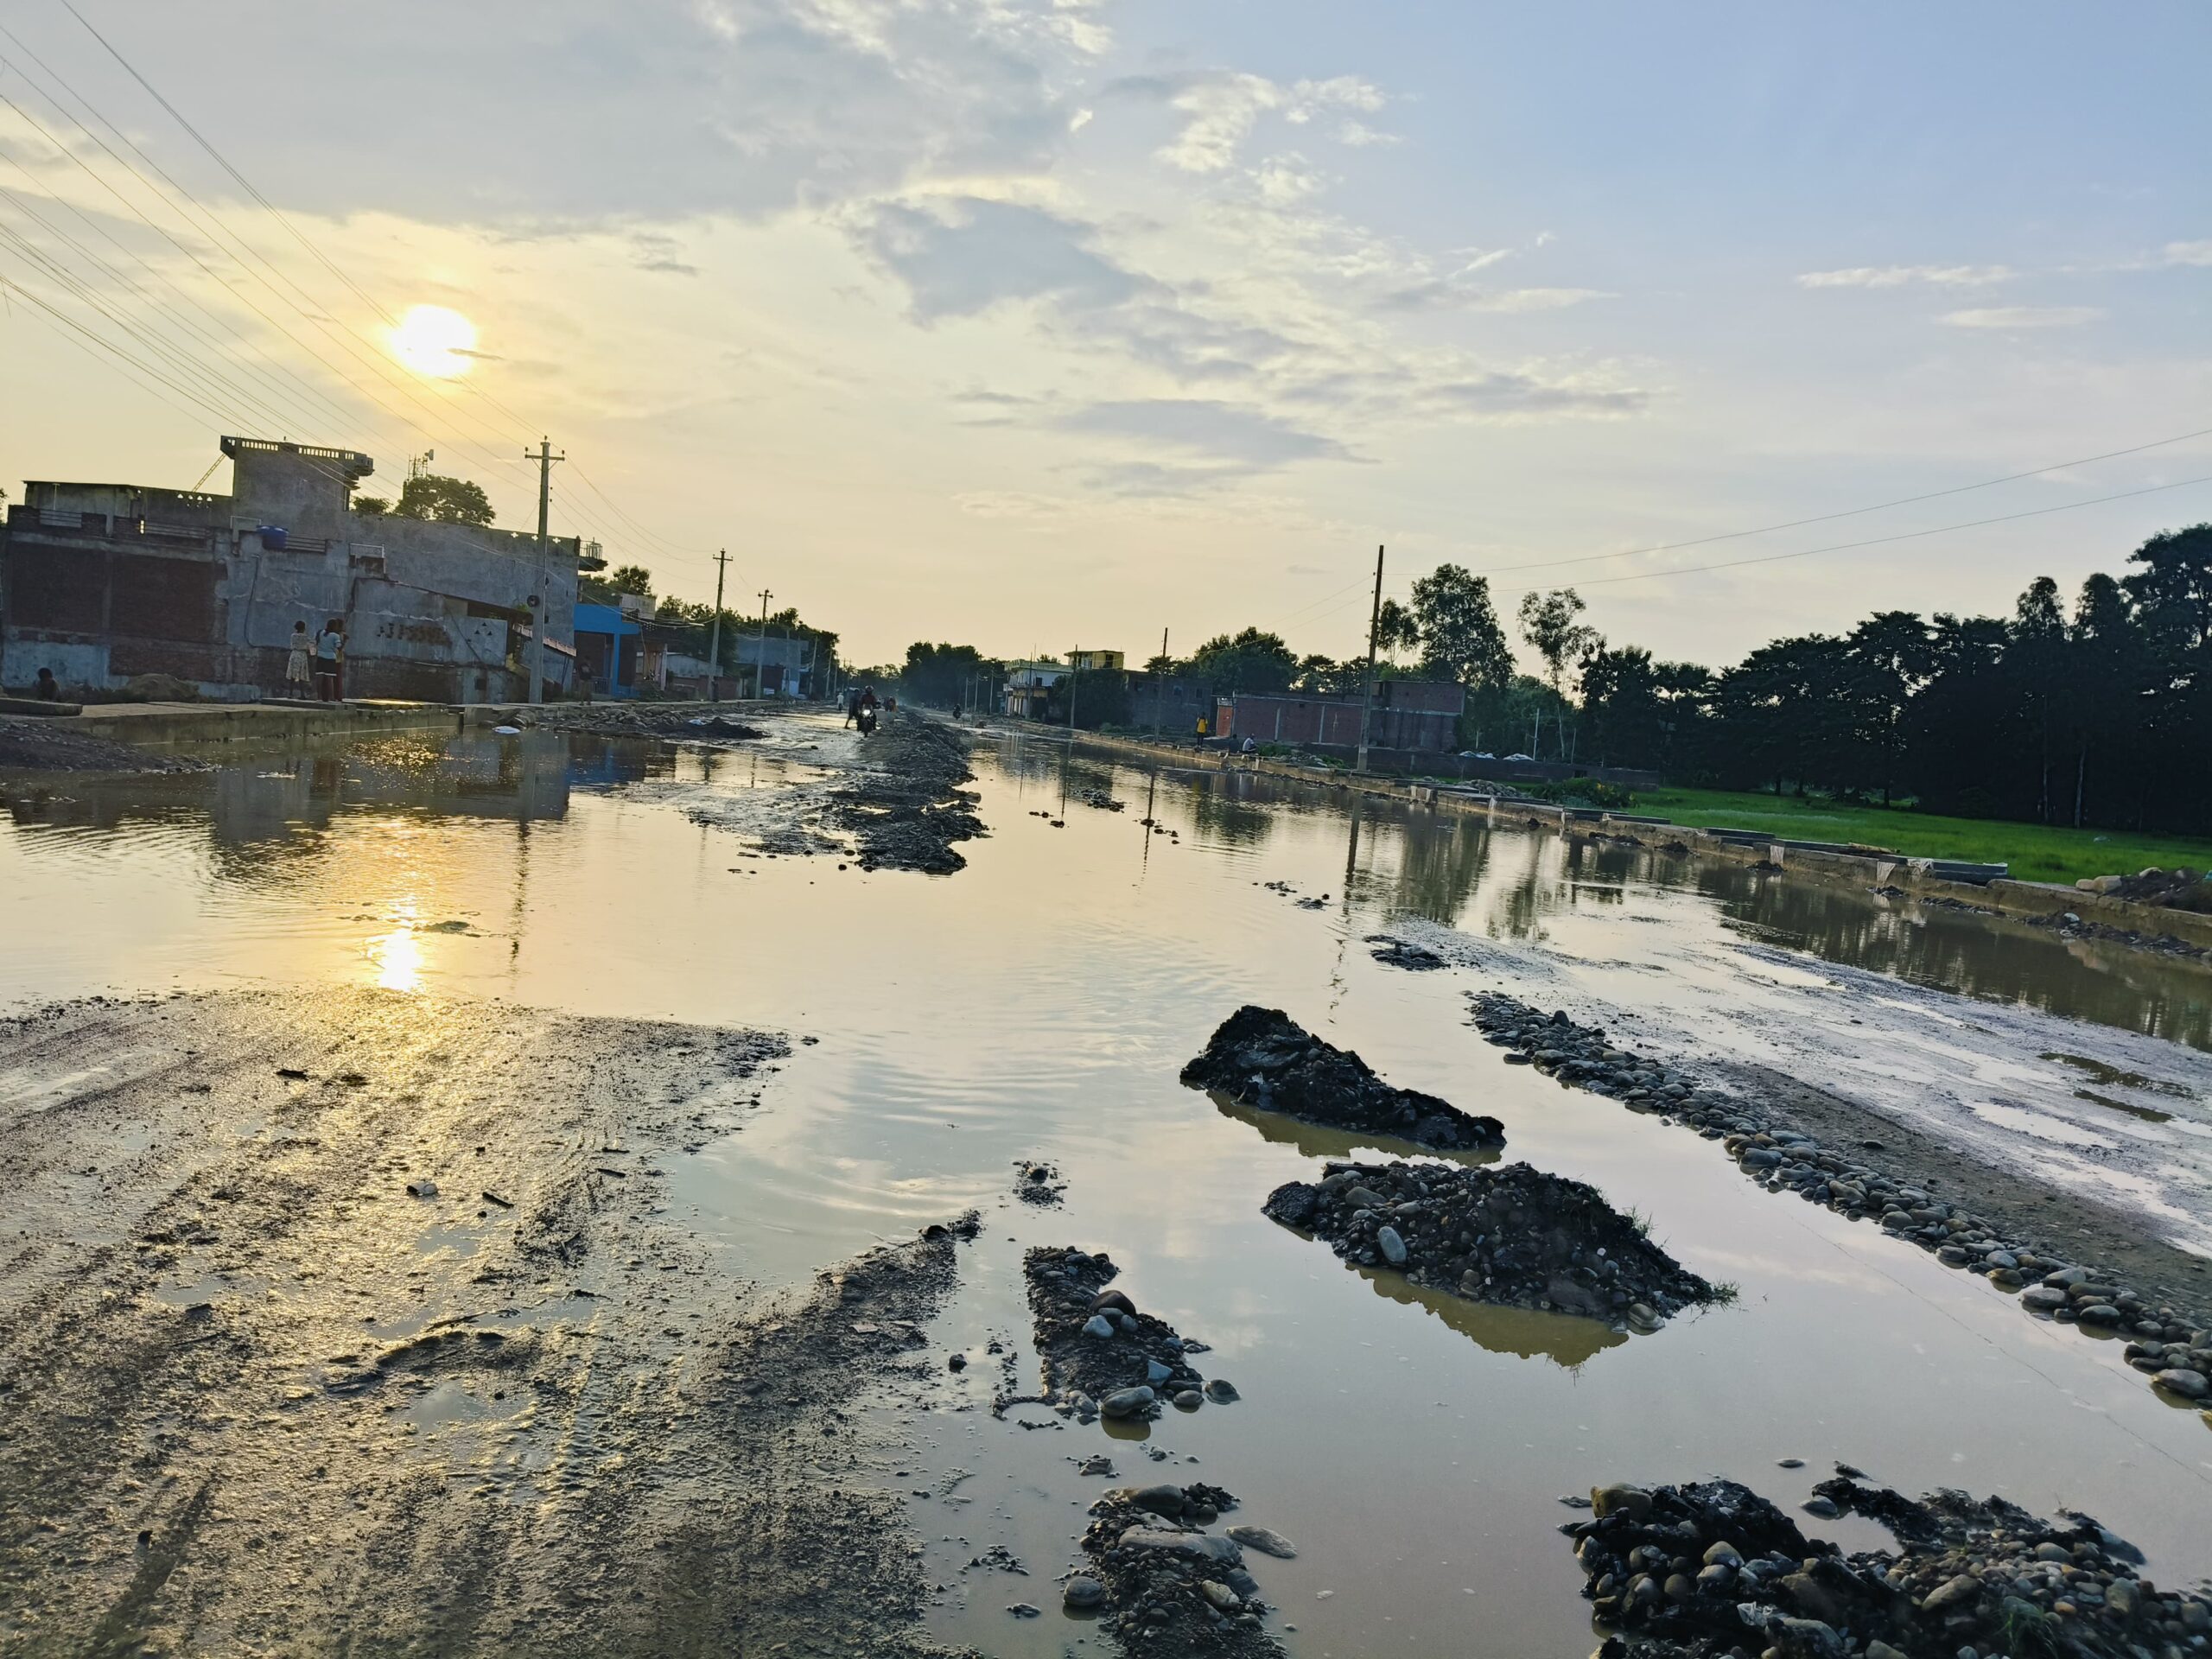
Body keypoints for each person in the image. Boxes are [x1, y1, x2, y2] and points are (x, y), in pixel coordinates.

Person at [313, 618, 344, 702]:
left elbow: (316, 642)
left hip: (320, 657)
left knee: (319, 678)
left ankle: (319, 697)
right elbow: (339, 647)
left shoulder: (321, 632)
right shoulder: (335, 636)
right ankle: (332, 697)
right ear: (335, 627)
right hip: (330, 658)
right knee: (329, 678)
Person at [284, 621, 312, 697]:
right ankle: (302, 694)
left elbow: (292, 645)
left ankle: (290, 693)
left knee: (292, 675)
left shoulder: (293, 636)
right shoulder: (305, 637)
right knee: (301, 675)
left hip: (294, 654)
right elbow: (309, 646)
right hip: (302, 655)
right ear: (304, 628)